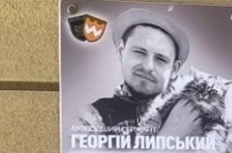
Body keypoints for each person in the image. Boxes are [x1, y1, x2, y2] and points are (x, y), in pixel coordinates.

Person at [77, 8, 203, 140]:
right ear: (121, 51)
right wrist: (167, 139)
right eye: (139, 52)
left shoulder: (193, 117)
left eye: (161, 59)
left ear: (174, 69)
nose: (148, 67)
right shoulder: (88, 118)